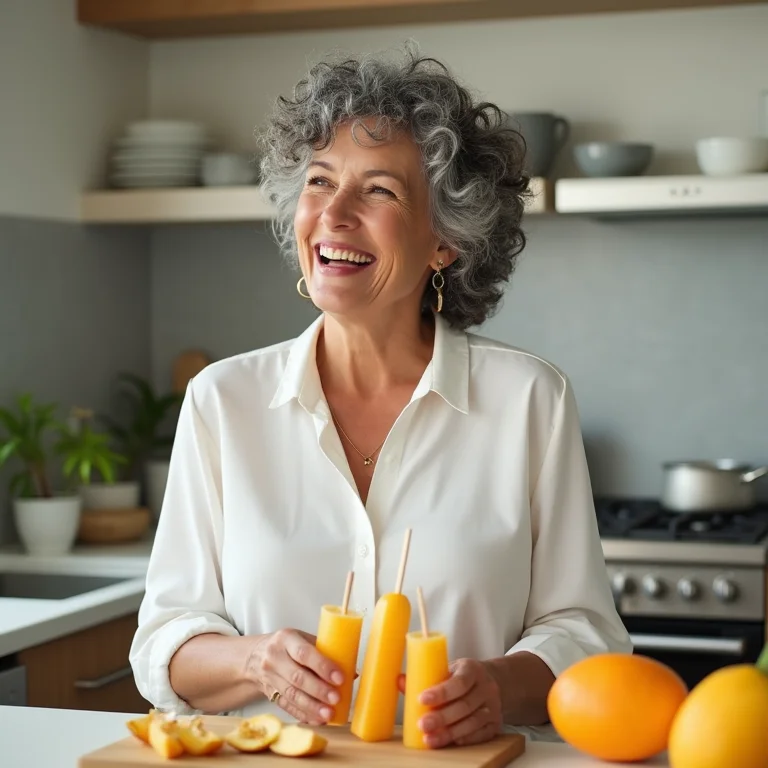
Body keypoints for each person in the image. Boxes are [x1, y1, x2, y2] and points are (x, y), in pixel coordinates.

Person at [129, 46, 632, 748]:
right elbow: (165, 641)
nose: (333, 214)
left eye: (379, 191)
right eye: (319, 181)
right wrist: (255, 660)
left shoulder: (528, 400)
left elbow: (585, 631)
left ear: (445, 243)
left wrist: (499, 685)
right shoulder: (224, 401)